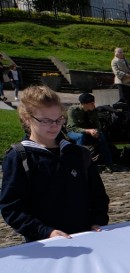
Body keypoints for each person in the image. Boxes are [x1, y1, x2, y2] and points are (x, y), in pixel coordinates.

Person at [0, 85, 109, 242]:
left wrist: (97, 221)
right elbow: (12, 208)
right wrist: (46, 232)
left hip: (86, 237)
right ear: (27, 118)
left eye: (59, 120)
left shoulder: (78, 153)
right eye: (45, 121)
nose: (54, 126)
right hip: (47, 244)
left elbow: (98, 196)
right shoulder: (20, 157)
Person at [66, 92, 113, 169]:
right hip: (73, 132)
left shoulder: (93, 111)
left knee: (101, 136)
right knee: (80, 136)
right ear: (85, 104)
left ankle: (109, 165)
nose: (94, 105)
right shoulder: (73, 110)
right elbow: (73, 128)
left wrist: (96, 131)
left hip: (89, 132)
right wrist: (88, 131)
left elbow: (97, 125)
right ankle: (79, 163)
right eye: (91, 103)